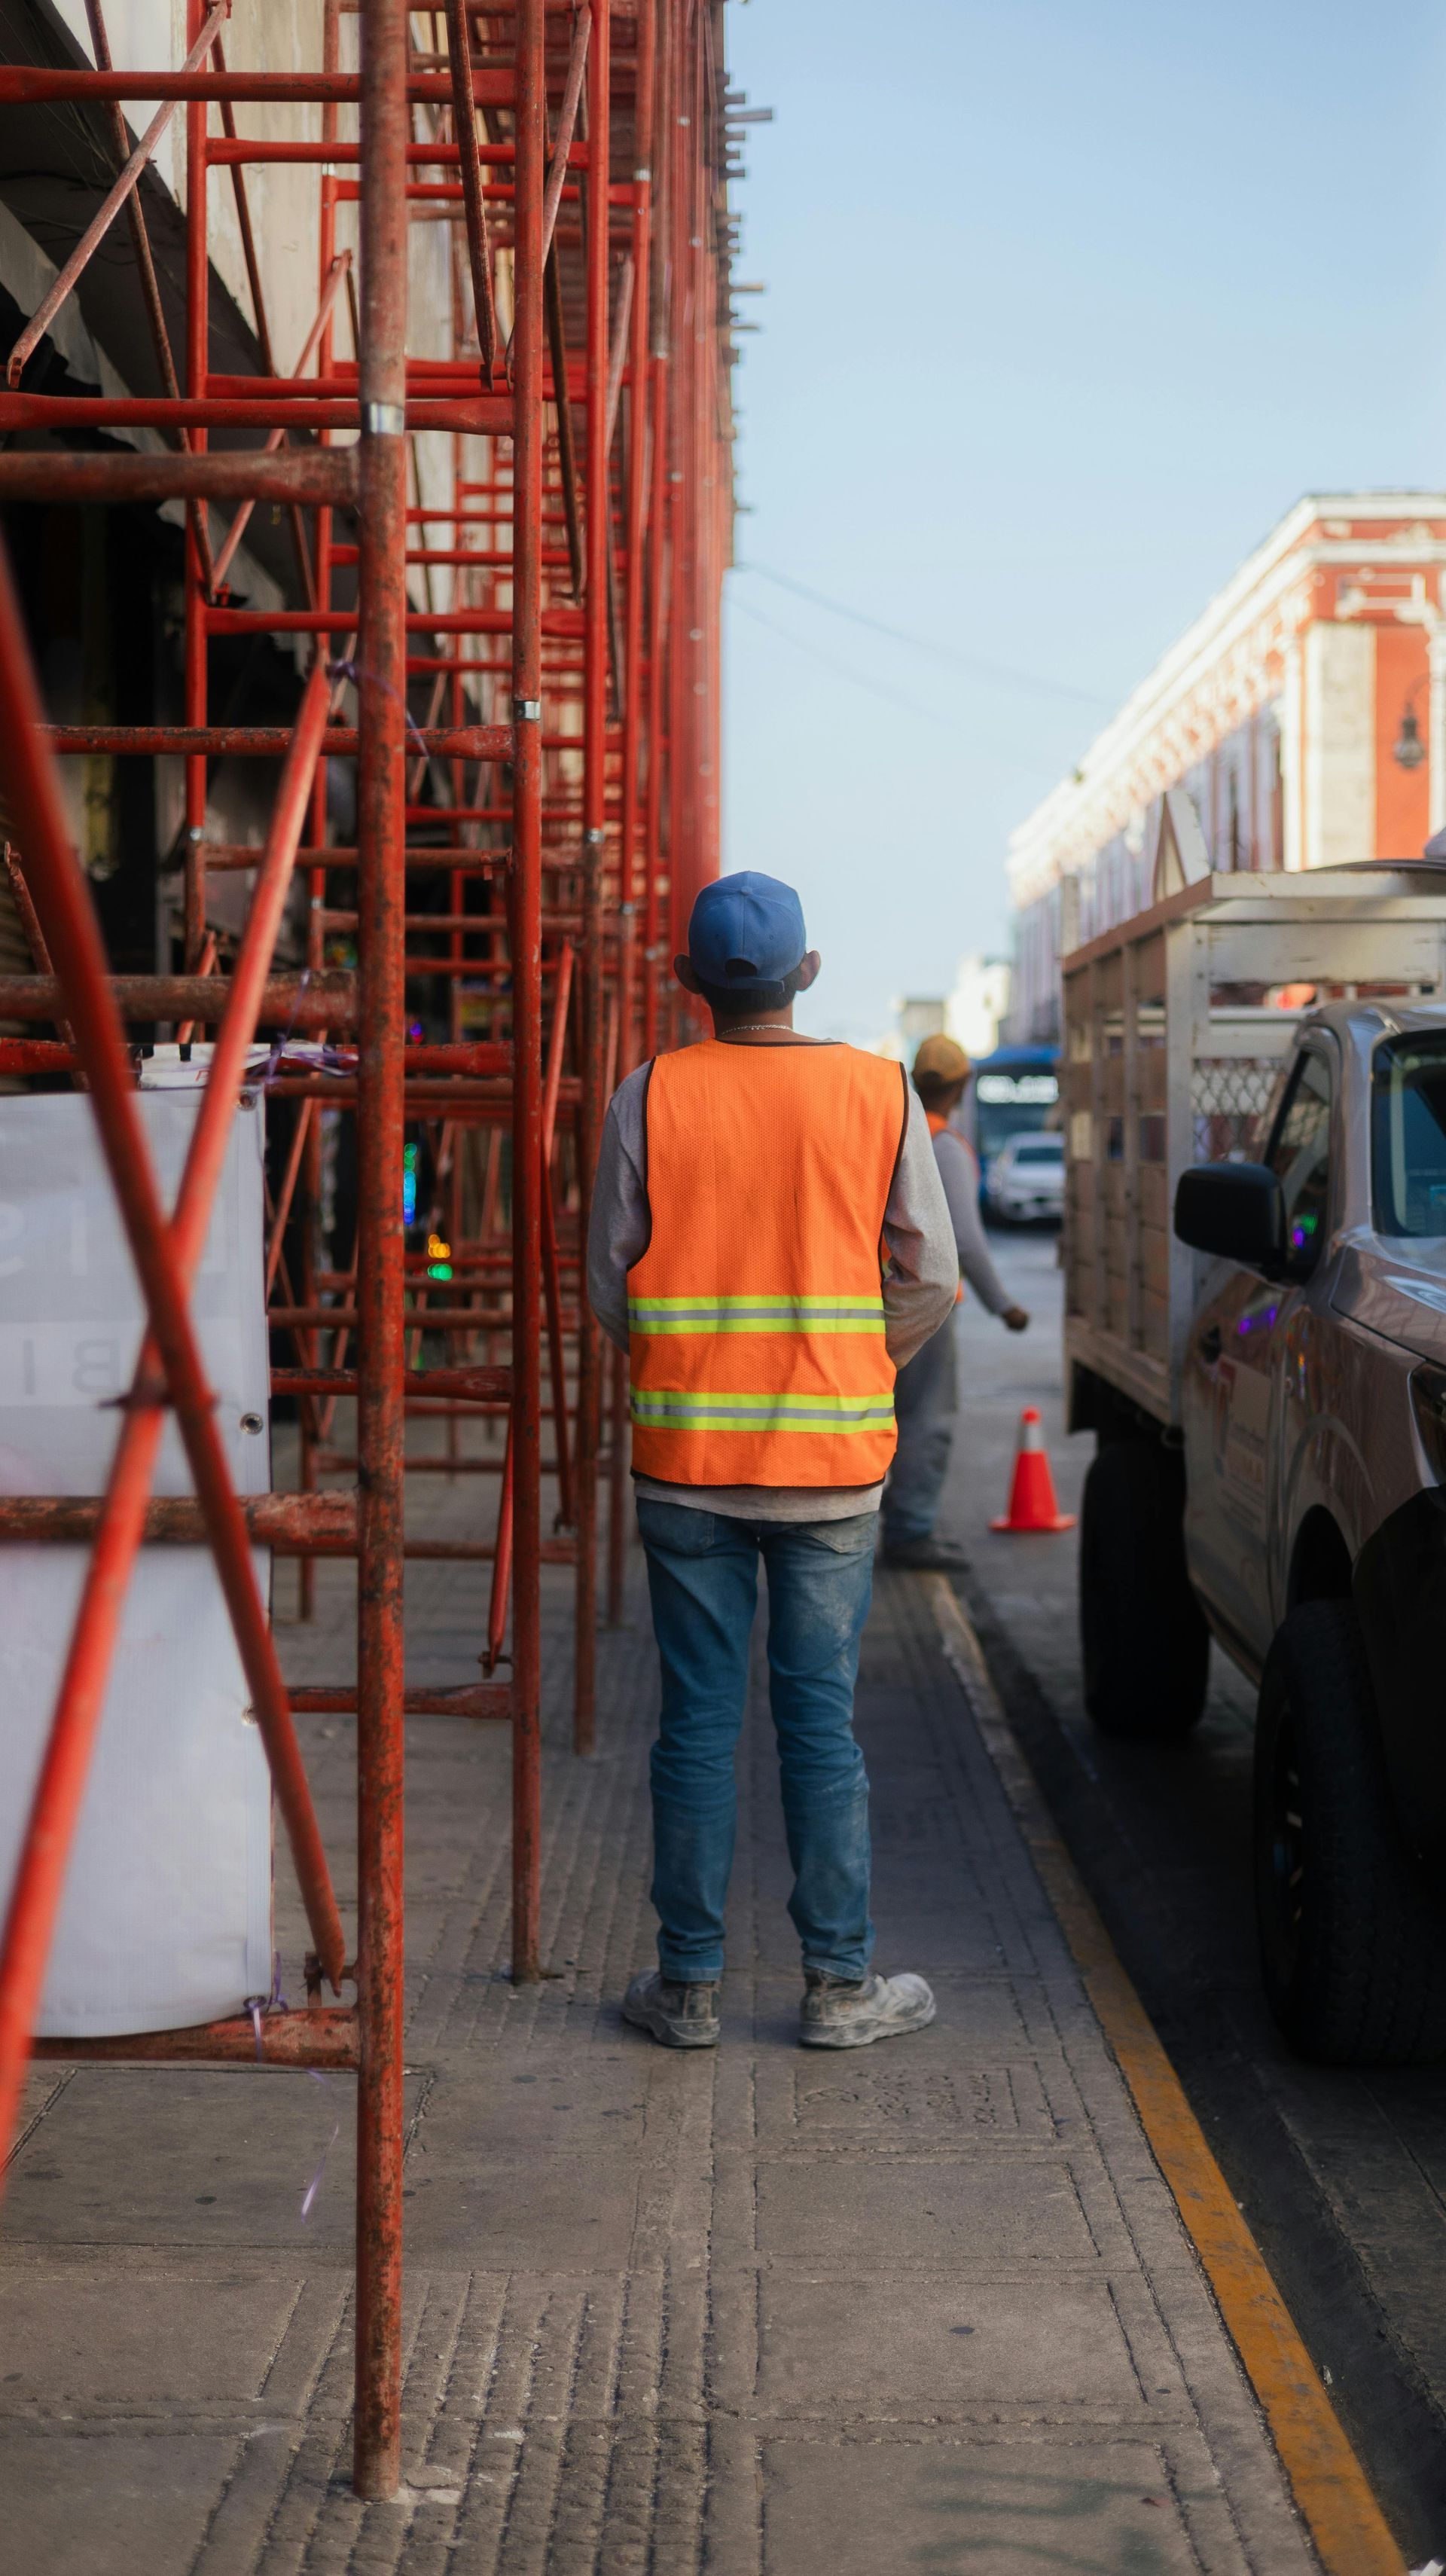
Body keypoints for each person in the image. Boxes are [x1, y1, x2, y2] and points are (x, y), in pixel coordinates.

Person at [587, 871, 959, 2051]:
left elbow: (610, 1282)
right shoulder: (879, 1091)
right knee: (820, 1725)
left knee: (695, 1722)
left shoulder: (647, 1097)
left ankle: (687, 1989)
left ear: (691, 985)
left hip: (687, 1467)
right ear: (806, 975)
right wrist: (857, 1360)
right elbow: (934, 1276)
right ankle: (838, 1990)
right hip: (833, 1472)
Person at [880, 1033, 1029, 1572]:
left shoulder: (892, 1132)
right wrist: (1003, 1304)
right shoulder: (943, 1146)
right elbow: (964, 1238)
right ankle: (910, 1531)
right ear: (963, 1086)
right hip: (927, 1305)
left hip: (880, 1294)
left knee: (892, 1417)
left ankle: (894, 1522)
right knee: (928, 1419)